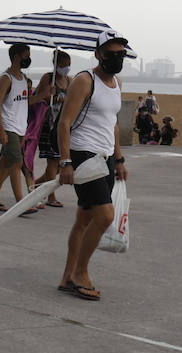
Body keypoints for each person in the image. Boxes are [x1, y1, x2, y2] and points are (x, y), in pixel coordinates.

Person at [56, 33, 131, 301]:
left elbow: (112, 122)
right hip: (84, 155)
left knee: (84, 219)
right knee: (106, 216)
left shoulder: (117, 83)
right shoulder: (85, 80)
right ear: (99, 54)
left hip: (106, 157)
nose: (117, 59)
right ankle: (80, 273)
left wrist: (119, 159)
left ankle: (67, 276)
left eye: (121, 54)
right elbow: (64, 123)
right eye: (111, 54)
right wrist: (65, 162)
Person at [0, 43, 34, 214]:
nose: (28, 59)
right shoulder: (7, 78)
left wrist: (45, 94)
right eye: (26, 55)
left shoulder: (23, 78)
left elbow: (26, 103)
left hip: (20, 128)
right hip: (9, 127)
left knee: (4, 164)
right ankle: (21, 203)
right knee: (16, 162)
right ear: (16, 57)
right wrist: (1, 130)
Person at [33, 52, 72, 208]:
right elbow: (37, 97)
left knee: (61, 162)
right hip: (49, 124)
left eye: (68, 64)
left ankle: (37, 185)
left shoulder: (70, 80)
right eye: (63, 65)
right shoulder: (48, 78)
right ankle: (50, 196)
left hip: (64, 125)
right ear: (56, 65)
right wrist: (51, 94)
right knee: (53, 161)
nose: (67, 68)